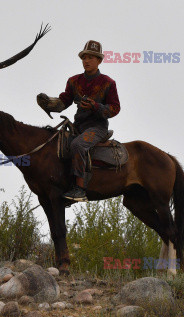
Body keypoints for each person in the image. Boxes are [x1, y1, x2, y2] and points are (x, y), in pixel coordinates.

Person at [37, 40, 120, 201]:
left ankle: (80, 189)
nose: (86, 61)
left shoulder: (108, 83)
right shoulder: (74, 81)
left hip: (97, 127)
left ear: (99, 60)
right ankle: (64, 185)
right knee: (57, 144)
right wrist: (49, 103)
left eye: (91, 58)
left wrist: (95, 106)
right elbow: (64, 102)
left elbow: (115, 108)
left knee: (78, 145)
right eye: (84, 58)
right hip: (78, 127)